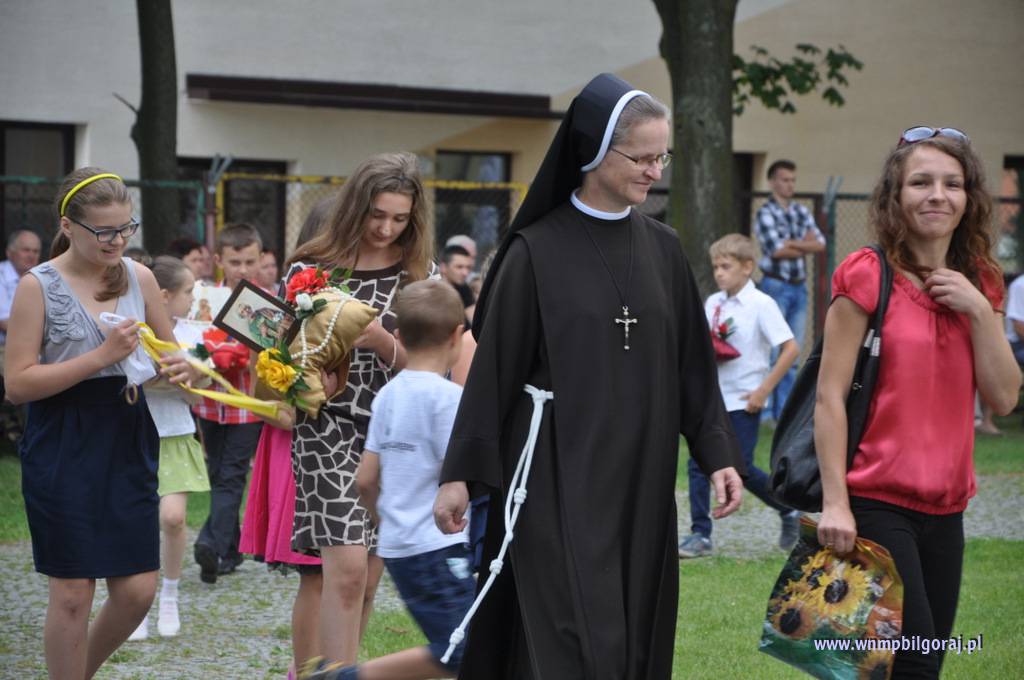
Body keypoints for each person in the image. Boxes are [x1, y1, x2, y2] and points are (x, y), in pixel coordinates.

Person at [432, 73, 743, 679]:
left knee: (632, 622)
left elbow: (692, 367)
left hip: (643, 475)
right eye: (643, 157)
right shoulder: (534, 252)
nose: (655, 171)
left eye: (662, 157)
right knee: (570, 629)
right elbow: (493, 375)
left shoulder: (664, 249)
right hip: (556, 472)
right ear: (595, 150)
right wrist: (460, 476)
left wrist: (717, 454)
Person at [815, 127, 1020, 678]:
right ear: (895, 195)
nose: (937, 195)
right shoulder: (867, 273)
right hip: (876, 500)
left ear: (969, 198)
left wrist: (978, 309)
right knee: (911, 662)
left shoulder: (982, 282)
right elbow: (829, 396)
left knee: (911, 662)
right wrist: (836, 504)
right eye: (921, 182)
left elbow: (1004, 398)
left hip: (948, 510)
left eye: (952, 184)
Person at [4, 168, 197, 679]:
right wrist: (100, 357)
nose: (117, 241)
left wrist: (184, 369)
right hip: (63, 437)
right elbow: (17, 384)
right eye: (104, 231)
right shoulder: (37, 286)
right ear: (68, 226)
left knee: (137, 590)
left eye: (125, 229)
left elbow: (170, 358)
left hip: (127, 431)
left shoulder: (140, 277)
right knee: (72, 591)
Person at [285, 151, 435, 665]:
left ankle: (333, 672)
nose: (386, 229)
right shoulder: (310, 270)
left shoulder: (420, 275)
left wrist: (381, 342)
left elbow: (433, 367)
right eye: (377, 215)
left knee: (367, 582)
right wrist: (307, 380)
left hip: (394, 434)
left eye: (399, 219)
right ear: (355, 206)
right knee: (346, 572)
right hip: (327, 428)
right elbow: (278, 359)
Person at [305, 279, 473, 680]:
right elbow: (459, 476)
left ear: (398, 337)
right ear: (456, 336)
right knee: (461, 649)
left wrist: (387, 522)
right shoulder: (450, 399)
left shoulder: (388, 396)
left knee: (465, 645)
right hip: (438, 546)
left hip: (400, 549)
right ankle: (342, 677)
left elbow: (365, 479)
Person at [679, 234, 801, 559]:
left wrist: (763, 390)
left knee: (741, 466)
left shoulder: (761, 304)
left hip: (745, 400)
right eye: (715, 267)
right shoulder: (713, 302)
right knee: (698, 463)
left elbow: (790, 348)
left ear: (747, 267)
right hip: (713, 400)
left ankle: (788, 508)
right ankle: (700, 534)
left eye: (726, 266)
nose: (719, 273)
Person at [129, 256, 212, 640]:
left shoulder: (193, 336)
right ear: (162, 295)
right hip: (134, 436)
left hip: (176, 434)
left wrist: (184, 378)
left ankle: (170, 596)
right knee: (137, 520)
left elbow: (198, 397)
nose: (194, 298)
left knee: (173, 518)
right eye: (188, 291)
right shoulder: (132, 331)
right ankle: (134, 604)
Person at [192, 223, 265, 584]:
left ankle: (211, 545)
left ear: (261, 259)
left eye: (250, 261)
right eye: (235, 262)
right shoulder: (205, 298)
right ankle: (232, 549)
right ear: (219, 260)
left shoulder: (264, 302)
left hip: (248, 405)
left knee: (231, 475)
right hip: (209, 403)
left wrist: (239, 356)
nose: (243, 269)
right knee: (218, 473)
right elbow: (192, 339)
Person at [754, 159, 826, 420]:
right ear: (772, 182)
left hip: (799, 288)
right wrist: (802, 244)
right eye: (785, 180)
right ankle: (765, 412)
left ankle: (783, 413)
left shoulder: (800, 211)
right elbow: (776, 250)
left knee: (792, 353)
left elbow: (820, 243)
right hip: (775, 286)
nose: (790, 185)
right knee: (773, 352)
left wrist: (791, 244)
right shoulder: (765, 212)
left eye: (793, 180)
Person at [0, 229, 42, 439]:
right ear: (10, 252)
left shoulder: (40, 277)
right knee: (31, 373)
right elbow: (4, 322)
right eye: (26, 250)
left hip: (34, 343)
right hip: (5, 346)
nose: (31, 255)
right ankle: (26, 432)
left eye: (36, 251)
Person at [439, 244, 475, 322]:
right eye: (459, 267)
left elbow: (474, 320)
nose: (465, 273)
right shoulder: (431, 292)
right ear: (443, 267)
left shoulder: (464, 289)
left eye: (468, 267)